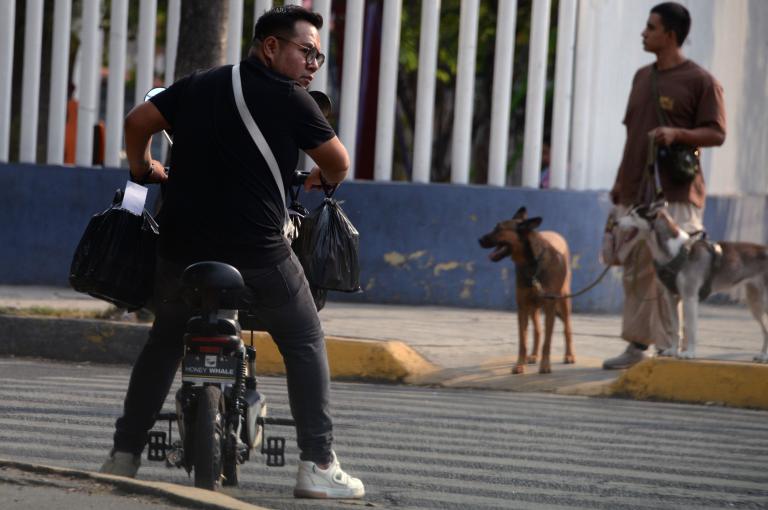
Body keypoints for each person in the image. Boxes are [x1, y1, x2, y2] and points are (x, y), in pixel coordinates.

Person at [99, 6, 365, 499]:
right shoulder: (292, 100)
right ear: (270, 46)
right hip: (258, 257)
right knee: (304, 338)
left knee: (164, 343)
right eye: (306, 52)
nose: (312, 65)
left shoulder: (198, 84)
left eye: (318, 57)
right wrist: (322, 179)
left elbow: (138, 121)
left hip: (179, 254)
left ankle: (124, 455)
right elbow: (339, 161)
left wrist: (145, 167)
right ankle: (317, 465)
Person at [603, 2, 726, 369]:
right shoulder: (642, 77)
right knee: (634, 269)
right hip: (635, 192)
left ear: (670, 36)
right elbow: (632, 136)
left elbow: (717, 132)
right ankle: (639, 346)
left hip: (676, 196)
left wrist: (678, 133)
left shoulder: (701, 81)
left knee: (673, 273)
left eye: (651, 27)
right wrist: (618, 184)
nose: (644, 33)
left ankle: (672, 346)